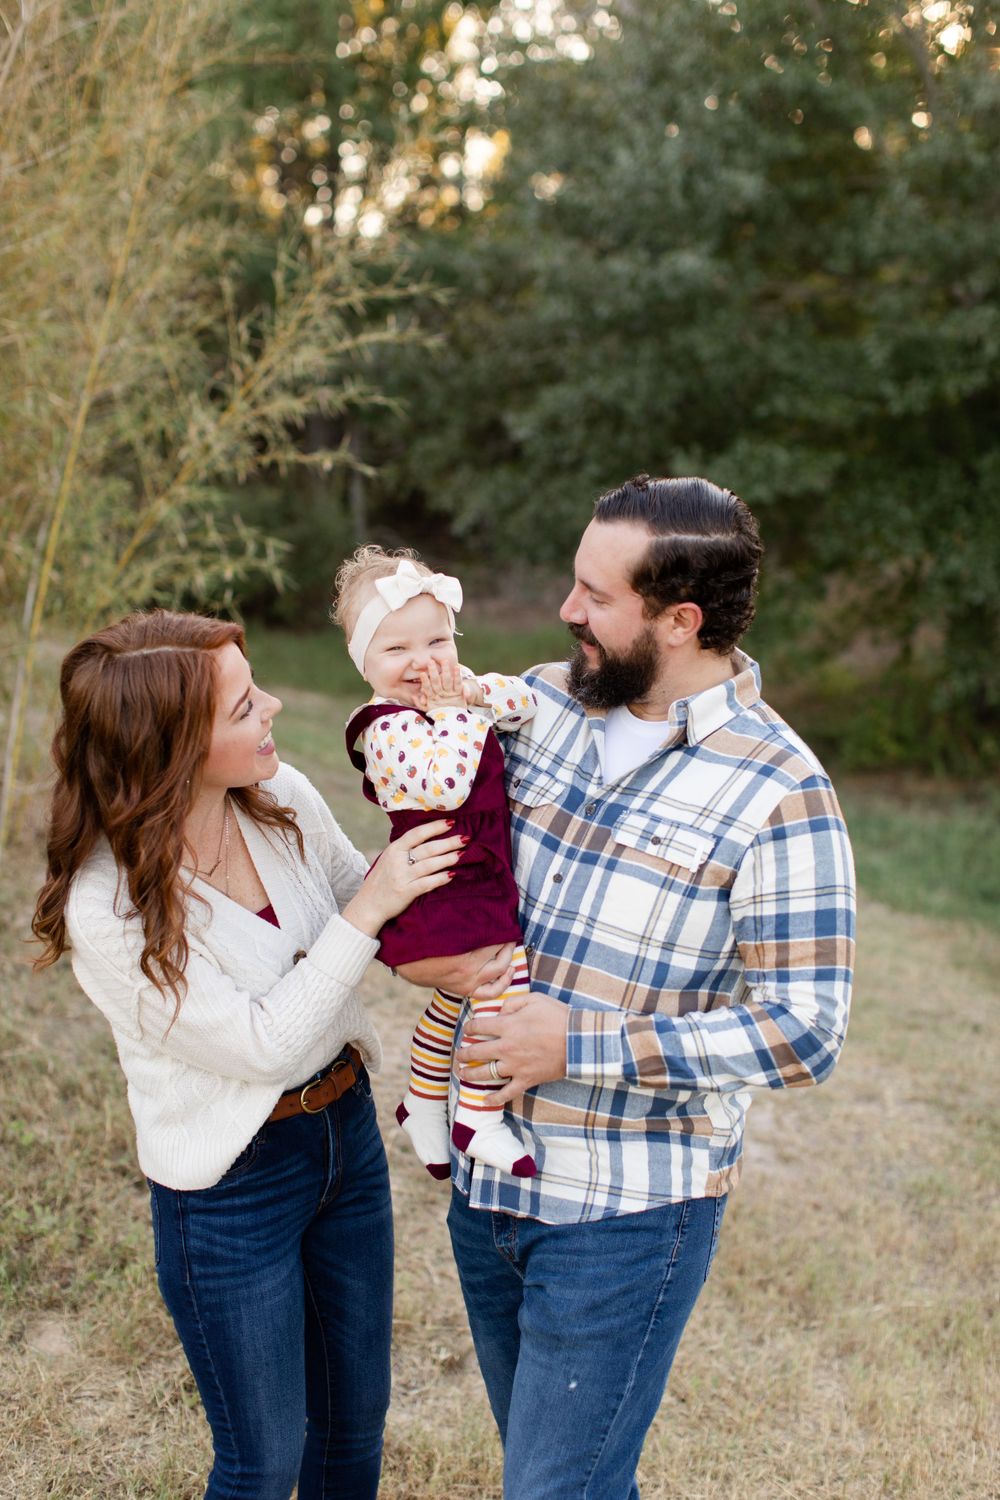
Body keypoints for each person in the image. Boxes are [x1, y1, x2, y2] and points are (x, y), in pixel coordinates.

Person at [399, 475, 857, 1500]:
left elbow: (806, 1031)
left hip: (625, 1213)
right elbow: (443, 836)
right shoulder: (541, 705)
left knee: (553, 1490)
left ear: (679, 620)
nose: (567, 612)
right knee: (566, 1479)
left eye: (594, 596)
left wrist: (582, 1045)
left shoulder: (781, 791)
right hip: (490, 1186)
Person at [29, 608, 480, 1500]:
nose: (272, 705)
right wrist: (372, 907)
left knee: (353, 1432)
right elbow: (266, 1043)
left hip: (345, 1139)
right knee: (263, 1461)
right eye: (243, 707)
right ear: (170, 751)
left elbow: (387, 917)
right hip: (230, 1189)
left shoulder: (281, 803)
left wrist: (476, 927)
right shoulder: (107, 909)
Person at [333, 546, 538, 1180]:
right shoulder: (385, 727)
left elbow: (524, 702)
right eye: (396, 651)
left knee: (458, 1002)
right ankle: (476, 1115)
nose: (423, 661)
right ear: (365, 662)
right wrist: (455, 711)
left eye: (438, 641)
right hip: (441, 898)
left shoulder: (448, 701)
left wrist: (472, 691)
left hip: (469, 885)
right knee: (504, 986)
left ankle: (423, 1101)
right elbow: (445, 782)